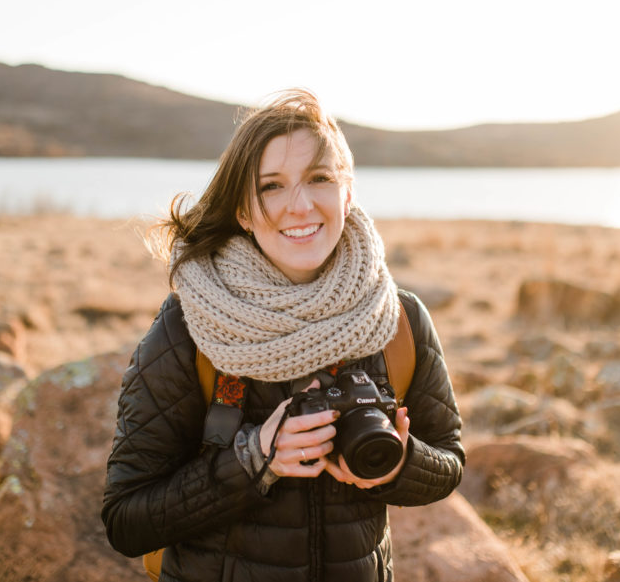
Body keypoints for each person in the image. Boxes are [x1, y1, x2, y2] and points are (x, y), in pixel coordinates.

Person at [102, 89, 464, 581]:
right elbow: (126, 521)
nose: (299, 205)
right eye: (271, 186)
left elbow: (449, 460)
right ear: (244, 212)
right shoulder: (189, 327)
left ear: (347, 192)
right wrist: (253, 461)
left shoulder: (397, 319)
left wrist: (397, 467)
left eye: (319, 178)